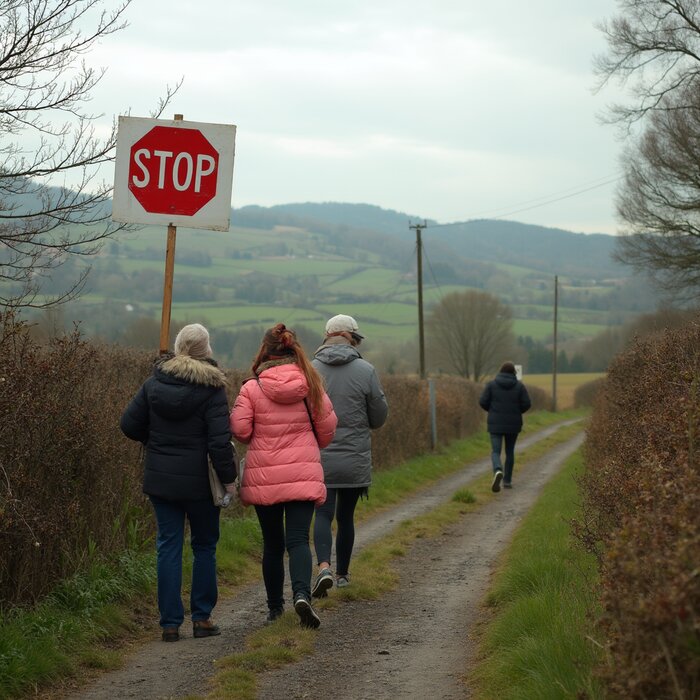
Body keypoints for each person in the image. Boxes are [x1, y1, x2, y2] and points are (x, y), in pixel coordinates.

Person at [120, 323, 236, 642]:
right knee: (204, 546)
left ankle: (170, 624)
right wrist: (229, 480)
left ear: (178, 346)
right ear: (206, 350)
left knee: (168, 547)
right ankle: (201, 619)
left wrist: (155, 443)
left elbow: (128, 424)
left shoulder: (154, 383)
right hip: (200, 484)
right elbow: (219, 442)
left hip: (161, 481)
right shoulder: (213, 389)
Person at [230, 323, 337, 628]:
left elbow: (239, 430)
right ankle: (302, 595)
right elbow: (327, 432)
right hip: (303, 472)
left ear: (264, 352)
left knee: (273, 544)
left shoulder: (252, 388)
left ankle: (275, 609)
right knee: (299, 540)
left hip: (264, 476)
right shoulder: (311, 384)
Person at [310, 314, 388, 598]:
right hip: (354, 457)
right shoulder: (366, 370)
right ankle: (343, 575)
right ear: (351, 337)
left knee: (322, 514)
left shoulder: (311, 369)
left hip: (320, 457)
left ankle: (323, 568)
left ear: (327, 335)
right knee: (346, 517)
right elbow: (378, 417)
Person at [479, 361, 531, 493]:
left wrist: (492, 410)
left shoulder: (491, 385)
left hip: (495, 423)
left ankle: (497, 470)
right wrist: (517, 411)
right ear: (514, 372)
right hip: (513, 424)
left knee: (495, 451)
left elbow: (482, 402)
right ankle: (507, 481)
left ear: (500, 372)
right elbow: (527, 404)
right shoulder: (519, 386)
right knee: (510, 452)